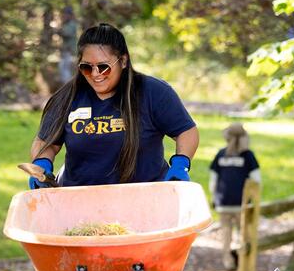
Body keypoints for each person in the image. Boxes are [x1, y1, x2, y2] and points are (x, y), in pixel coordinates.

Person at [27, 22, 199, 188]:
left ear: (123, 61)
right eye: (87, 67)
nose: (95, 74)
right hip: (79, 198)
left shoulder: (153, 92)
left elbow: (186, 131)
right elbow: (45, 141)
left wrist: (181, 163)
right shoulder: (67, 97)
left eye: (103, 67)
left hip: (144, 197)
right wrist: (42, 163)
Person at [209, 123, 261, 270]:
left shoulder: (221, 154)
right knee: (242, 232)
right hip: (241, 203)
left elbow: (213, 180)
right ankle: (241, 259)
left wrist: (214, 197)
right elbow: (256, 180)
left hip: (223, 201)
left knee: (226, 231)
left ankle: (227, 260)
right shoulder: (248, 156)